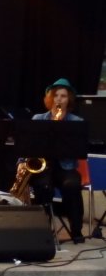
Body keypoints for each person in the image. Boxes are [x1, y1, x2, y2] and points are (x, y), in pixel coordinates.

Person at [23, 78, 85, 243]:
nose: (59, 99)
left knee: (71, 185)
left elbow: (79, 150)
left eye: (63, 96)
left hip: (66, 167)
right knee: (43, 186)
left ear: (69, 99)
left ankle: (76, 229)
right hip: (43, 167)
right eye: (56, 95)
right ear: (50, 98)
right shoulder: (38, 119)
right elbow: (28, 145)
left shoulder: (76, 122)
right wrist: (22, 162)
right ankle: (43, 229)